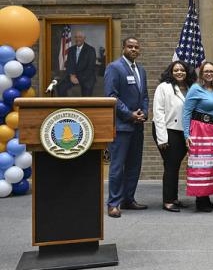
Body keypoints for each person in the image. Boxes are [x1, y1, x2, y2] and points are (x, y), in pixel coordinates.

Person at [104, 37, 149, 218]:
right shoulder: (114, 68)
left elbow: (144, 95)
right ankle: (113, 203)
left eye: (136, 47)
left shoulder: (141, 70)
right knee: (117, 166)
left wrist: (144, 113)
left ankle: (128, 199)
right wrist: (129, 114)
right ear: (123, 48)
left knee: (134, 165)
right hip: (122, 125)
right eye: (130, 47)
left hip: (138, 126)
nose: (133, 49)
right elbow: (111, 96)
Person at [152, 61, 197, 212]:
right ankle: (168, 201)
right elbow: (158, 113)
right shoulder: (163, 87)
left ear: (186, 72)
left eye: (182, 70)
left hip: (183, 132)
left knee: (175, 165)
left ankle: (174, 197)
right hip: (167, 130)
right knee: (171, 165)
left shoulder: (190, 87)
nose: (179, 72)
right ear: (171, 72)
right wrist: (162, 138)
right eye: (176, 70)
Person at [182, 62, 213, 212]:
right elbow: (186, 112)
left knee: (211, 166)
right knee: (201, 166)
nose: (209, 74)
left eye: (211, 71)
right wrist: (187, 135)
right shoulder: (195, 89)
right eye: (206, 71)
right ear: (201, 73)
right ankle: (200, 201)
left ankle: (206, 198)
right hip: (200, 131)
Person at [58, 30, 97, 96]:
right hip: (73, 75)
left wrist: (79, 79)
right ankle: (65, 105)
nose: (77, 39)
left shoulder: (91, 50)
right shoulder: (71, 49)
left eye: (80, 37)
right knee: (60, 87)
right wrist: (71, 75)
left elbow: (90, 68)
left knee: (86, 96)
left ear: (84, 38)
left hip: (86, 77)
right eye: (76, 37)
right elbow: (69, 64)